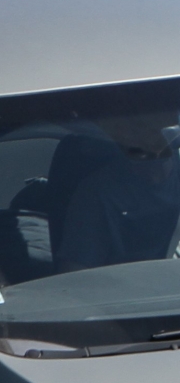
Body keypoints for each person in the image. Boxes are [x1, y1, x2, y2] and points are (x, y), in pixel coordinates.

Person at [56, 116, 180, 274]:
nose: (142, 137)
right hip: (125, 293)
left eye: (151, 127)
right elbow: (74, 279)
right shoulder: (98, 194)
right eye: (134, 129)